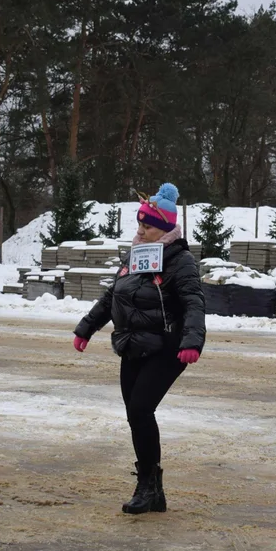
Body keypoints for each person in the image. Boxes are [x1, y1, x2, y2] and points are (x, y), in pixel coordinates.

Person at [73, 182, 206, 514]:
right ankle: (153, 489)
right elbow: (112, 296)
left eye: (146, 225)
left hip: (167, 345)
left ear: (162, 227)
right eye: (140, 224)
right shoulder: (135, 256)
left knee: (141, 409)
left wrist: (192, 341)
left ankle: (147, 487)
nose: (140, 230)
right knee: (136, 414)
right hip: (133, 344)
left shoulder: (180, 260)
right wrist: (87, 327)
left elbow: (193, 302)